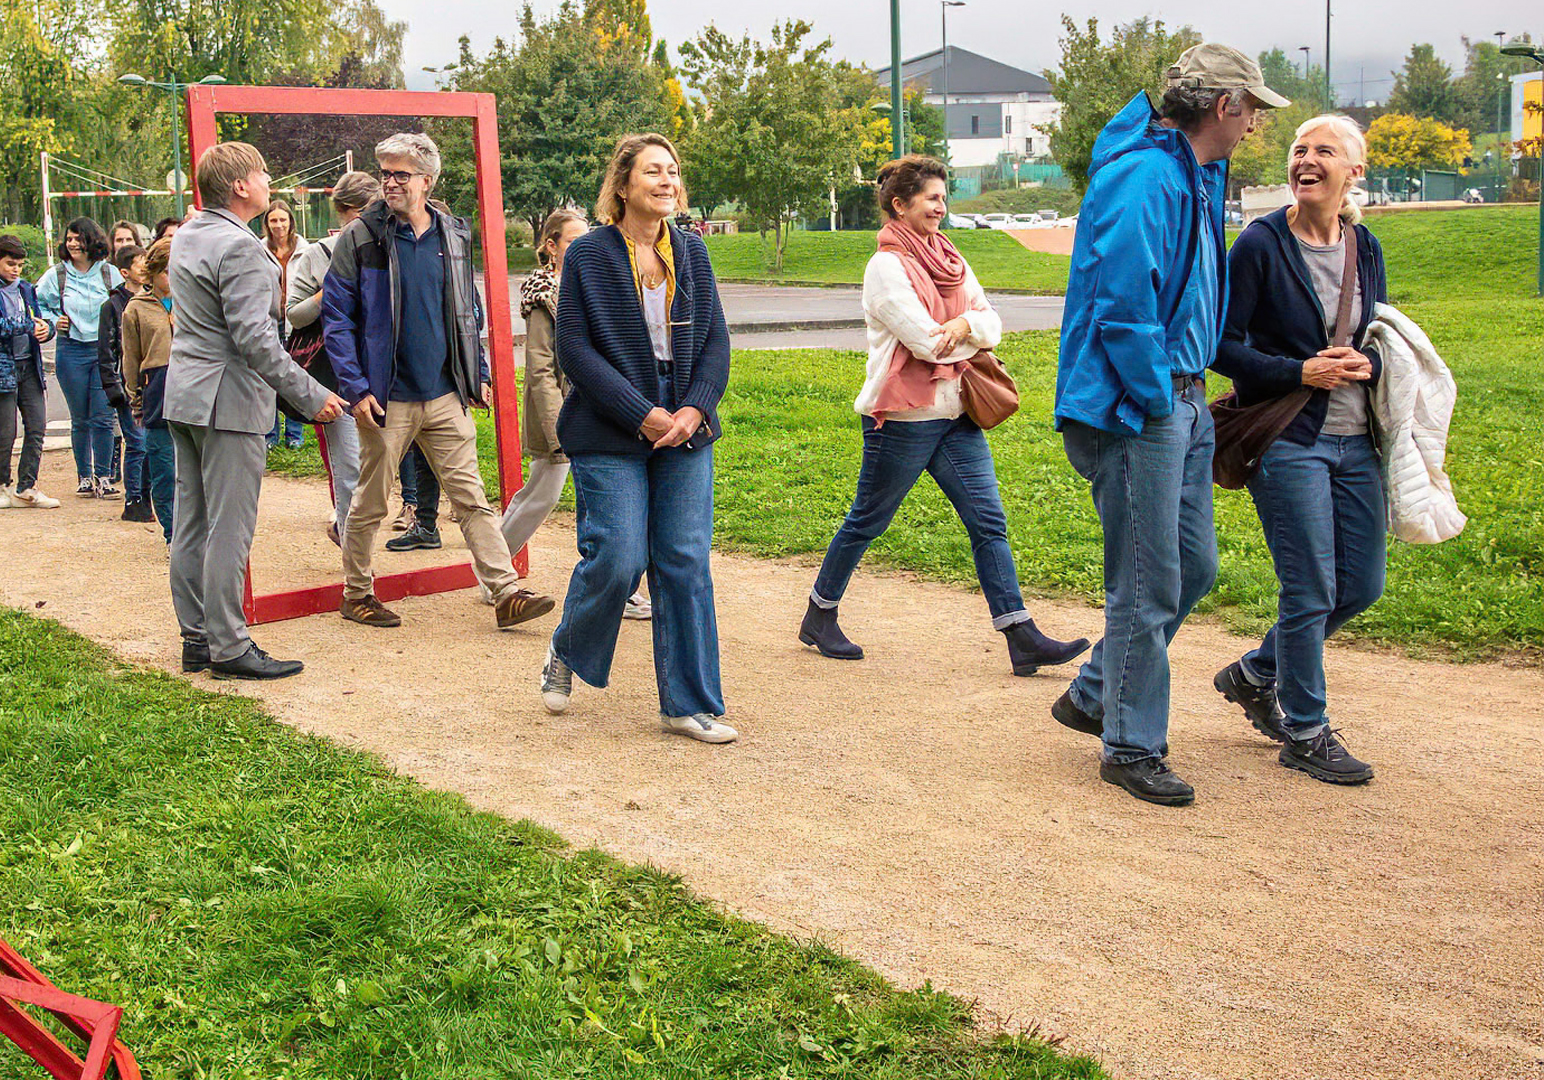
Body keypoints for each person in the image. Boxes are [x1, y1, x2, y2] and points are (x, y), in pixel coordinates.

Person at [1050, 43, 1286, 806]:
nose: (1255, 124)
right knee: (1147, 584)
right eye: (1252, 108)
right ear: (1224, 106)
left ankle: (1095, 695)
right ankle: (1129, 745)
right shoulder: (1147, 176)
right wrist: (1160, 400)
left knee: (1192, 569)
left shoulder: (1192, 171)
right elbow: (1123, 313)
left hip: (1176, 402)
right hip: (1137, 407)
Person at [800, 156, 1086, 674]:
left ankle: (1021, 637)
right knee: (869, 520)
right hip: (905, 419)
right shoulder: (885, 267)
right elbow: (927, 344)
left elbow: (992, 322)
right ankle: (820, 616)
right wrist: (962, 328)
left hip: (956, 414)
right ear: (900, 204)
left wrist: (967, 328)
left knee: (989, 523)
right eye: (932, 198)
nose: (941, 206)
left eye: (943, 197)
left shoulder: (949, 256)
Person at [1209, 114, 1386, 786]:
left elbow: (1375, 332)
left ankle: (1255, 673)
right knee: (1309, 587)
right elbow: (1219, 345)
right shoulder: (1258, 244)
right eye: (1298, 149)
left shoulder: (1363, 246)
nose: (1307, 160)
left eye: (1324, 151)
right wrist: (1298, 372)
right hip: (1287, 438)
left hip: (1354, 440)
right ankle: (1306, 732)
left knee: (1361, 585)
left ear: (1353, 172)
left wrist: (1365, 362)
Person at [540, 133, 735, 744]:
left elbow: (716, 343)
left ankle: (688, 703)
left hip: (684, 424)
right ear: (622, 185)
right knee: (620, 556)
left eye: (674, 172)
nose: (668, 181)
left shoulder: (694, 253)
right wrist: (640, 413)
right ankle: (567, 646)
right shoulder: (590, 256)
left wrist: (693, 409)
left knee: (683, 560)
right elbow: (575, 350)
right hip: (608, 426)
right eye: (654, 171)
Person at [322, 132, 557, 631]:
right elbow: (336, 318)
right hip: (385, 398)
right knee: (370, 502)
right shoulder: (360, 237)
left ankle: (505, 591)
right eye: (385, 172)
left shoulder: (452, 232)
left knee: (470, 497)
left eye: (400, 174)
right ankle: (357, 594)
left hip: (446, 392)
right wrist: (355, 387)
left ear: (427, 181)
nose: (389, 182)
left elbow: (466, 310)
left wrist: (480, 375)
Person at [165, 141, 348, 680]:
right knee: (229, 527)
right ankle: (228, 646)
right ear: (241, 186)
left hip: (187, 395)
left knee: (192, 522)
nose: (271, 181)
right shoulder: (241, 247)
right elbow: (256, 340)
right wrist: (313, 395)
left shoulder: (192, 233)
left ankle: (197, 637)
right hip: (228, 401)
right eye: (263, 173)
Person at [492, 207, 654, 620]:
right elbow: (540, 369)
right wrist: (555, 426)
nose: (583, 245)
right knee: (543, 494)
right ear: (551, 246)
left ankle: (621, 587)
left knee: (600, 500)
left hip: (604, 407)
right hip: (565, 414)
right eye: (572, 240)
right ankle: (492, 569)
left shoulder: (594, 283)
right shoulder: (545, 296)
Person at [285, 170, 381, 543]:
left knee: (377, 465)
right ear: (346, 211)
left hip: (383, 371)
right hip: (336, 373)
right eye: (365, 212)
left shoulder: (389, 247)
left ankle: (350, 529)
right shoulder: (316, 255)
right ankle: (355, 550)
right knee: (349, 466)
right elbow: (293, 315)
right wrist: (328, 295)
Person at [0, 234, 60, 510]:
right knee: (6, 430)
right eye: (10, 264)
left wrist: (47, 329)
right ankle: (0, 485)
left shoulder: (25, 288)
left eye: (19, 264)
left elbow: (40, 318)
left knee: (37, 426)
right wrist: (24, 325)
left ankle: (27, 486)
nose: (15, 270)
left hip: (29, 365)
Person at [36, 217, 124, 497]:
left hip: (103, 352)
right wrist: (52, 320)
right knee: (81, 418)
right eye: (69, 239)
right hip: (71, 350)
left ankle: (105, 477)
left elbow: (125, 303)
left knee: (102, 416)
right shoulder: (57, 275)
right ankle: (84, 477)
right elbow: (37, 302)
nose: (72, 244)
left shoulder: (109, 273)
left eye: (78, 239)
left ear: (92, 241)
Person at [122, 237, 177, 541]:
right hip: (157, 387)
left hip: (193, 385)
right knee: (164, 468)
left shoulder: (194, 300)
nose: (173, 278)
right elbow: (131, 357)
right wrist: (135, 398)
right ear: (153, 273)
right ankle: (173, 534)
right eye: (167, 271)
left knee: (194, 470)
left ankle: (196, 534)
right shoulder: (136, 309)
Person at [97, 242, 151, 521]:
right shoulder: (112, 305)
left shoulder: (153, 299)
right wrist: (114, 389)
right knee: (137, 443)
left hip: (150, 381)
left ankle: (146, 496)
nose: (145, 268)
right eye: (140, 264)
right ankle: (134, 499)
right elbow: (106, 352)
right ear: (125, 272)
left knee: (150, 445)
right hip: (126, 384)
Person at [264, 199, 310, 450]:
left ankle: (295, 434)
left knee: (294, 377)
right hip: (270, 321)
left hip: (296, 321)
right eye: (273, 220)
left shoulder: (305, 250)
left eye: (283, 220)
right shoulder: (260, 250)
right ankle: (270, 434)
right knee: (269, 377)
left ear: (290, 222)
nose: (279, 225)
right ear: (267, 224)